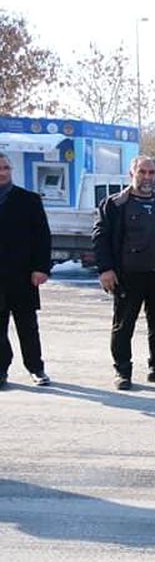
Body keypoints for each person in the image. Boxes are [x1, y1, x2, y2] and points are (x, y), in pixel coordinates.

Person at [93, 156, 155, 389]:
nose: (147, 177)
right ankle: (123, 372)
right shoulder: (115, 205)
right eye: (142, 172)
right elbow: (100, 238)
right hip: (128, 276)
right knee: (124, 325)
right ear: (132, 173)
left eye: (151, 173)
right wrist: (106, 269)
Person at [0, 151, 52, 388]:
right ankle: (2, 370)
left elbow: (42, 237)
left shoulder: (28, 199)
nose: (2, 173)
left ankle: (36, 368)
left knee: (27, 325)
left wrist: (41, 268)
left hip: (22, 275)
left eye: (6, 168)